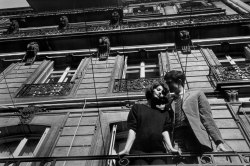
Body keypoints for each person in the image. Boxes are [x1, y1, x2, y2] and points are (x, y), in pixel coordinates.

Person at [164, 70, 228, 156]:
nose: (167, 85)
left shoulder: (196, 94)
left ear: (179, 81)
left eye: (169, 82)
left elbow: (207, 118)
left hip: (194, 135)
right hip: (177, 137)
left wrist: (218, 142)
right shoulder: (170, 101)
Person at [119, 82, 178, 165]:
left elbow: (165, 131)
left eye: (163, 92)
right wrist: (126, 149)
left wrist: (170, 148)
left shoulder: (164, 113)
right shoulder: (137, 108)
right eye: (158, 90)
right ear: (151, 90)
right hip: (138, 152)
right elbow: (132, 129)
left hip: (158, 152)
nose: (161, 93)